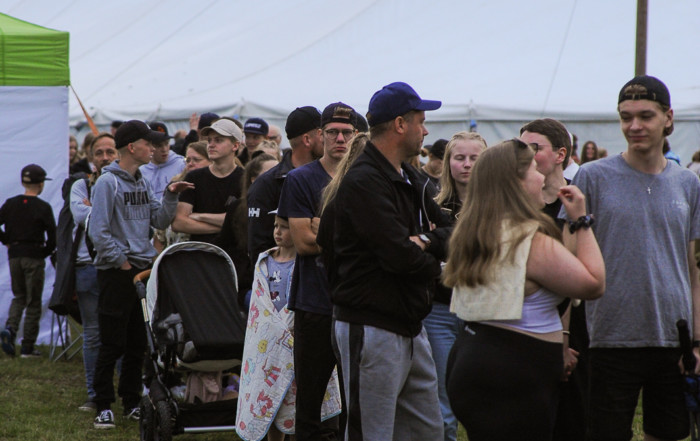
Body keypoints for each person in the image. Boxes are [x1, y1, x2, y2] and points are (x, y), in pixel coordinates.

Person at [442, 139, 605, 441]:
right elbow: (593, 283)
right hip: (512, 377)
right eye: (533, 169)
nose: (541, 177)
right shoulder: (528, 241)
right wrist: (581, 221)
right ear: (515, 182)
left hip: (472, 360)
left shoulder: (476, 231)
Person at [567, 75, 700, 441]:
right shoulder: (592, 177)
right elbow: (570, 259)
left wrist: (696, 342)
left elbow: (693, 269)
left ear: (668, 117)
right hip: (610, 337)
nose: (634, 126)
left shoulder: (688, 183)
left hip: (672, 336)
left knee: (668, 433)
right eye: (626, 117)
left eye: (645, 116)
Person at [328, 82, 450, 440]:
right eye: (420, 121)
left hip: (410, 325)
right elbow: (400, 257)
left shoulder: (411, 177)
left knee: (428, 431)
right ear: (400, 124)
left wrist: (426, 240)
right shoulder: (364, 181)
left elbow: (453, 231)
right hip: (371, 327)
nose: (425, 131)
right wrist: (439, 267)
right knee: (372, 433)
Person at [88, 120, 193, 429]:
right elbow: (98, 231)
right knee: (112, 341)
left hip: (141, 270)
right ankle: (103, 404)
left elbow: (159, 219)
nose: (154, 148)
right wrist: (122, 263)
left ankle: (131, 401)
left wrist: (171, 194)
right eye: (149, 143)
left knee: (137, 342)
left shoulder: (142, 181)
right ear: (132, 147)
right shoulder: (108, 183)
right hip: (117, 272)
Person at [277, 102, 357, 441]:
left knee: (355, 404)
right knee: (308, 404)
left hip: (356, 304)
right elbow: (304, 243)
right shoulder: (300, 179)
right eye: (333, 132)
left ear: (356, 136)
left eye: (347, 133)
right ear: (320, 136)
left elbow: (376, 238)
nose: (340, 139)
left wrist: (323, 228)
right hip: (314, 304)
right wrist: (355, 237)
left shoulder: (363, 178)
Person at [236, 214, 341, 441]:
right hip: (269, 345)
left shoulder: (306, 267)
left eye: (284, 227)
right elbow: (259, 303)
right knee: (269, 396)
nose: (278, 231)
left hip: (296, 338)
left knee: (296, 397)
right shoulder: (265, 262)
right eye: (275, 226)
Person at [424, 131, 486, 441]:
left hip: (484, 311)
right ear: (448, 162)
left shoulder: (498, 206)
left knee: (483, 398)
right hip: (441, 310)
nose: (467, 164)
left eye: (475, 158)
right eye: (460, 158)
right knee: (443, 401)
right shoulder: (432, 205)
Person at [69, 133, 118, 412]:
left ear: (119, 154)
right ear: (90, 157)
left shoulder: (127, 183)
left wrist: (98, 210)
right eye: (99, 152)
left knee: (122, 331)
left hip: (118, 265)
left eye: (110, 151)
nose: (105, 157)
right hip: (88, 266)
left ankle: (129, 393)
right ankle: (95, 395)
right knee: (93, 334)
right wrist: (108, 212)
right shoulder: (81, 185)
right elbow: (83, 218)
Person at [247, 106, 323, 264]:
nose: (327, 139)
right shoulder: (267, 184)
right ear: (307, 140)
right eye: (322, 133)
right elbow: (259, 247)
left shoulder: (329, 178)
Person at [0, 164, 56, 358]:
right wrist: (44, 253)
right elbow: (53, 237)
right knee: (33, 301)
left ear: (23, 182)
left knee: (19, 296)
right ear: (41, 184)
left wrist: (7, 241)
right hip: (34, 256)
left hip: (15, 256)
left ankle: (11, 328)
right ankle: (27, 347)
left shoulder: (11, 204)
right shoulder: (43, 207)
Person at [216, 153, 279, 309]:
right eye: (270, 176)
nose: (277, 181)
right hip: (248, 285)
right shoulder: (237, 208)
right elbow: (224, 247)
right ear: (254, 180)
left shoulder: (287, 208)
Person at [172, 118, 245, 244]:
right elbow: (179, 223)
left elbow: (243, 220)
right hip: (200, 251)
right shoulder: (194, 177)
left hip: (234, 253)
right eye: (209, 140)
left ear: (235, 146)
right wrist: (225, 228)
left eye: (218, 140)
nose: (211, 144)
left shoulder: (244, 178)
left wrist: (200, 216)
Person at [153, 141, 211, 253]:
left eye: (196, 160)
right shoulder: (174, 188)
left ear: (211, 162)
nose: (190, 164)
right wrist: (157, 259)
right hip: (172, 254)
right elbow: (159, 234)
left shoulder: (213, 190)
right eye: (187, 160)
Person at [139, 121, 185, 199]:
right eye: (159, 145)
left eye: (166, 143)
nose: (164, 149)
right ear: (150, 146)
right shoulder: (141, 171)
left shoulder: (182, 165)